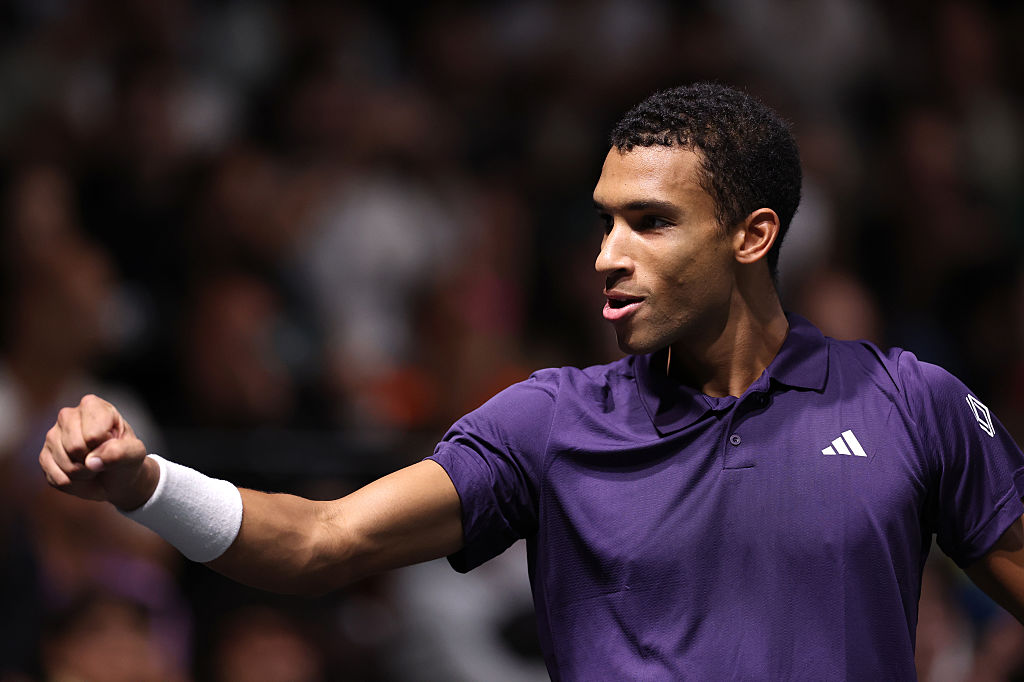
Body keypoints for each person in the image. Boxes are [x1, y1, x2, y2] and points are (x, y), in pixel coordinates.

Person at [38, 83, 1024, 679]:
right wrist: (144, 485)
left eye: (649, 222)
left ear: (751, 235)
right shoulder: (550, 421)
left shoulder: (909, 403)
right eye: (602, 221)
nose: (606, 254)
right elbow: (320, 541)